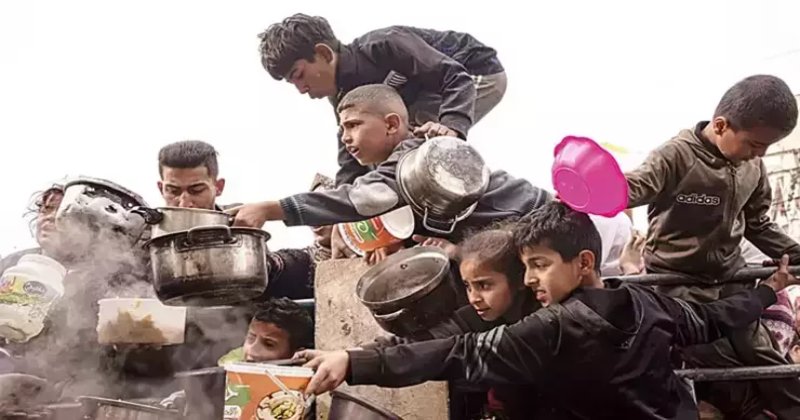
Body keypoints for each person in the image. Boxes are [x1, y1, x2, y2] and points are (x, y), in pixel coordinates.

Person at [296, 201, 797, 420]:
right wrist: (767, 291)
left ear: (582, 263)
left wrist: (354, 362)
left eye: (538, 266)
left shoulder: (554, 326)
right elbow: (715, 318)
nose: (531, 279)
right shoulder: (651, 302)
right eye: (526, 268)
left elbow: (461, 354)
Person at [625, 74, 800, 419]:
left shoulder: (753, 167)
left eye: (767, 147)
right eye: (753, 144)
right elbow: (635, 186)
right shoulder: (677, 156)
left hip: (729, 282)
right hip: (677, 287)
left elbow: (759, 224)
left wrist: (796, 253)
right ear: (721, 126)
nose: (760, 154)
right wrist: (595, 192)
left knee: (765, 356)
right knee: (713, 354)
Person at [230, 84, 550, 248]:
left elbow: (368, 198)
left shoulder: (412, 153)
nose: (346, 138)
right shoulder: (390, 170)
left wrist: (272, 209)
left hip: (538, 217)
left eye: (354, 125)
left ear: (391, 124)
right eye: (342, 130)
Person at [258, 14, 507, 186]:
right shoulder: (344, 98)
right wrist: (341, 210)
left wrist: (451, 127)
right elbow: (350, 154)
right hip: (425, 95)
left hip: (475, 72)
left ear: (324, 53)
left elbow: (455, 77)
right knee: (371, 145)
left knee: (408, 147)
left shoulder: (385, 45)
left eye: (299, 75)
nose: (301, 89)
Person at [369, 228, 539, 420]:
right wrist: (357, 355)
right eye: (468, 286)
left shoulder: (540, 323)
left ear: (519, 280)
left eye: (484, 286)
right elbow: (421, 342)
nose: (474, 298)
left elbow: (451, 352)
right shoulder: (479, 314)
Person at [218, 298, 314, 364]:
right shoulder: (231, 364)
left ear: (298, 355)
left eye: (269, 344)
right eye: (251, 338)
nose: (252, 351)